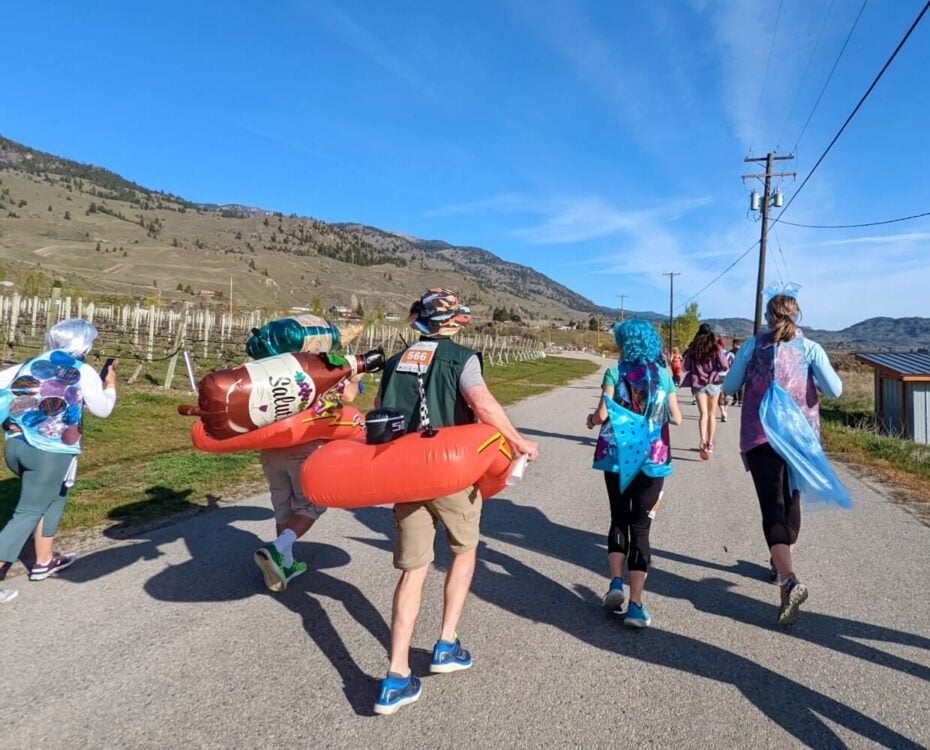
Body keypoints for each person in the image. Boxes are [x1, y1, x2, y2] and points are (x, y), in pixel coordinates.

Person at [372, 288, 539, 715]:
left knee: (413, 571)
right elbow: (482, 405)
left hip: (405, 476)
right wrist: (517, 441)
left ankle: (395, 675)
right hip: (450, 472)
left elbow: (378, 411)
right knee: (463, 552)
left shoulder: (395, 362)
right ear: (453, 321)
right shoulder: (461, 358)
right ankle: (445, 644)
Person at [723, 286, 842, 625]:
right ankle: (780, 571)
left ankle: (788, 578)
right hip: (800, 436)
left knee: (771, 507)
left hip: (762, 435)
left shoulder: (752, 346)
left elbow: (730, 387)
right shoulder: (811, 348)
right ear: (796, 314)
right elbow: (835, 390)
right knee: (792, 502)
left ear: (767, 316)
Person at [0, 319, 117, 599]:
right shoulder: (81, 370)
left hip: (16, 444)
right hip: (51, 452)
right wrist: (110, 385)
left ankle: (44, 561)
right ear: (83, 343)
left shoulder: (31, 362)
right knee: (27, 512)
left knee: (55, 497)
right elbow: (102, 409)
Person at [586, 320, 682, 629]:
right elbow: (677, 418)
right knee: (641, 529)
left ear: (624, 344)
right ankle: (636, 605)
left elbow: (602, 414)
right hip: (652, 460)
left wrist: (591, 420)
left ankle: (615, 583)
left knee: (618, 518)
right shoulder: (664, 377)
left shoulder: (615, 373)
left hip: (616, 457)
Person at [253, 374, 364, 593]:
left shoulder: (272, 368)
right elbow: (349, 395)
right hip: (304, 445)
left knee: (282, 506)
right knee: (311, 505)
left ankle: (286, 564)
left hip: (270, 447)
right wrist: (354, 376)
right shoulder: (320, 367)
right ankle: (278, 548)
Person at [683, 324, 729, 460]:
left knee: (703, 414)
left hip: (698, 383)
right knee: (712, 414)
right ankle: (710, 443)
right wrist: (715, 369)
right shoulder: (716, 348)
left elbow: (685, 367)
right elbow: (725, 365)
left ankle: (702, 440)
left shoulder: (693, 348)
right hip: (713, 382)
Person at [717, 338, 732, 423]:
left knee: (720, 395)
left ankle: (722, 412)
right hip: (728, 376)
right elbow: (734, 364)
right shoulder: (730, 354)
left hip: (718, 376)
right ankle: (725, 412)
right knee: (726, 395)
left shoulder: (715, 353)